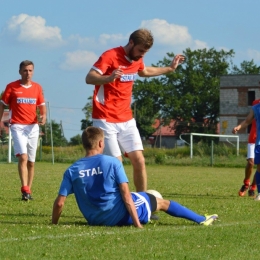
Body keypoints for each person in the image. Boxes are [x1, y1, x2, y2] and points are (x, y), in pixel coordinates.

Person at [52, 126, 218, 227]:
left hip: (94, 219)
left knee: (143, 197)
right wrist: (137, 224)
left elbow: (60, 203)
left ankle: (147, 209)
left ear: (84, 144)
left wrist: (54, 224)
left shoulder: (72, 170)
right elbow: (125, 195)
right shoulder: (112, 162)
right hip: (118, 217)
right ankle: (201, 219)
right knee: (159, 201)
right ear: (101, 143)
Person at [85, 28, 185, 192]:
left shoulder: (137, 59)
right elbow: (89, 78)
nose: (141, 55)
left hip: (126, 119)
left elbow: (144, 71)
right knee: (116, 164)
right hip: (105, 118)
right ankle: (118, 205)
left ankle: (143, 203)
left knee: (139, 160)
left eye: (145, 52)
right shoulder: (110, 56)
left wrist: (170, 68)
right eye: (140, 51)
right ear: (131, 43)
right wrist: (108, 78)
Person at [0, 60, 46, 201]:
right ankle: (24, 187)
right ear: (20, 72)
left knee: (31, 162)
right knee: (23, 157)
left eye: (30, 70)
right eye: (25, 70)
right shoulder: (12, 87)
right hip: (18, 126)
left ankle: (28, 191)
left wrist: (43, 116)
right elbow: (2, 105)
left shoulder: (37, 87)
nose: (28, 73)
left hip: (33, 127)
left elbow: (42, 106)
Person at [232, 101, 260, 201]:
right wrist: (238, 127)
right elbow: (248, 120)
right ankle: (246, 184)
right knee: (252, 163)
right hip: (254, 140)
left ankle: (253, 187)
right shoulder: (256, 105)